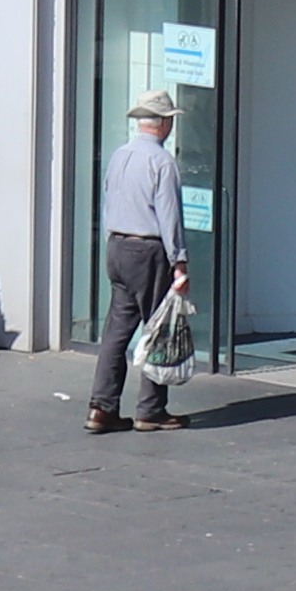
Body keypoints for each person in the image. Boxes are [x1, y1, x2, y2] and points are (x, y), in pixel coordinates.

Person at [90, 87, 184, 436]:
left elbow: (107, 199)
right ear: (161, 125)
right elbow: (169, 216)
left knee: (116, 331)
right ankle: (151, 410)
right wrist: (180, 261)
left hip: (117, 245)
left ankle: (101, 407)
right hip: (147, 250)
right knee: (157, 329)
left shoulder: (119, 155)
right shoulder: (162, 162)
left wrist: (110, 243)